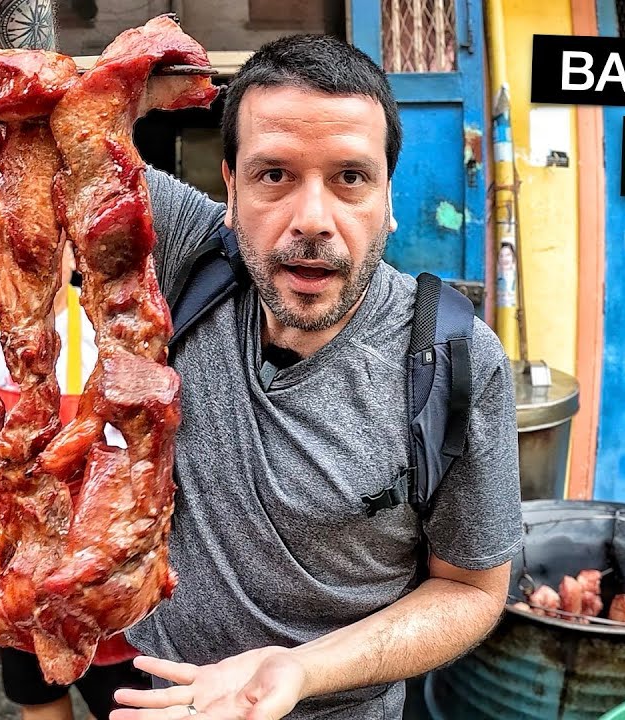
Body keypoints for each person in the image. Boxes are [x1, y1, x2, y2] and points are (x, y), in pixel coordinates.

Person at [106, 34, 523, 720]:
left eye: (350, 179)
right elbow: (43, 143)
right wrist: (128, 80)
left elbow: (473, 591)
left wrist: (298, 670)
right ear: (230, 190)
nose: (312, 220)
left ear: (388, 198)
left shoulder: (453, 358)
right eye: (274, 175)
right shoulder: (187, 252)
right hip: (166, 705)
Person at [0, 244, 145, 720]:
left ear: (72, 258)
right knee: (39, 699)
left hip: (92, 571)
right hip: (14, 566)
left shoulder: (102, 337)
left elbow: (131, 473)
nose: (35, 265)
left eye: (53, 250)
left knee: (124, 703)